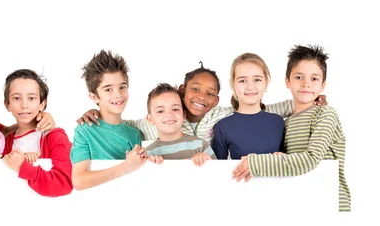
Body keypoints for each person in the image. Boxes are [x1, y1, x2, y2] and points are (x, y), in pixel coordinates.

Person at [231, 44, 351, 212]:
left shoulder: (325, 114)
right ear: (287, 81)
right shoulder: (285, 122)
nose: (306, 84)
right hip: (301, 199)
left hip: (329, 200)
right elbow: (258, 111)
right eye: (299, 77)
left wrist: (257, 162)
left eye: (314, 79)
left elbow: (310, 159)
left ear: (323, 85)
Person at [76, 62, 326, 143]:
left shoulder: (223, 115)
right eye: (195, 89)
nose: (201, 97)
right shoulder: (163, 119)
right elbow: (122, 122)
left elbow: (268, 110)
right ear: (183, 90)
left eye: (209, 93)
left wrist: (309, 100)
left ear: (216, 100)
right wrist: (95, 111)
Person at [70, 49, 148, 191]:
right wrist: (125, 167)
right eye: (108, 89)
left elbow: (137, 175)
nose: (118, 95)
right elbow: (78, 181)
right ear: (94, 97)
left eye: (122, 87)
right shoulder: (85, 130)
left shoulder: (134, 133)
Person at [1, 69, 73, 197]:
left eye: (31, 98)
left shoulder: (55, 137)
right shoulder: (5, 143)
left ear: (42, 104)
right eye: (17, 98)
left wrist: (22, 166)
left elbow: (64, 183)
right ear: (7, 105)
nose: (24, 104)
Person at [211, 53, 285, 159]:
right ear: (232, 84)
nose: (250, 87)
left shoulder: (278, 122)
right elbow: (217, 169)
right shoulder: (223, 127)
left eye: (257, 80)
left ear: (266, 82)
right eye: (242, 81)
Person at [143, 83, 216, 166]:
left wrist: (208, 163)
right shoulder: (147, 155)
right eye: (160, 111)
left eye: (175, 109)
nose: (169, 114)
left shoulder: (201, 145)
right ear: (150, 119)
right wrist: (149, 166)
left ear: (183, 115)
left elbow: (218, 175)